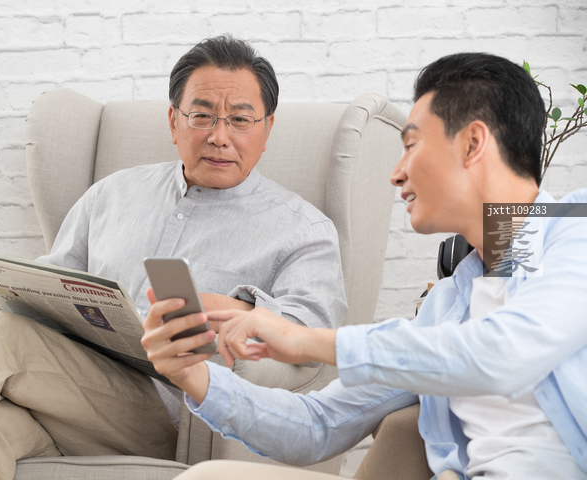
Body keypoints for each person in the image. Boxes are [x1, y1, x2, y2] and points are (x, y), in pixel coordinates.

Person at [0, 36, 348, 480]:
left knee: (11, 339)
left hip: (175, 415)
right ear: (174, 121)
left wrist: (235, 309)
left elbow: (314, 337)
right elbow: (39, 288)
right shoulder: (111, 195)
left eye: (240, 120)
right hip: (71, 398)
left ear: (267, 129)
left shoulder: (302, 230)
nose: (220, 136)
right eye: (202, 116)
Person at [142, 52, 587, 480]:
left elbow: (504, 353)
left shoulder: (574, 235)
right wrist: (195, 377)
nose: (396, 173)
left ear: (472, 144)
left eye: (411, 145)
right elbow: (316, 426)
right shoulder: (449, 306)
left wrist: (310, 340)